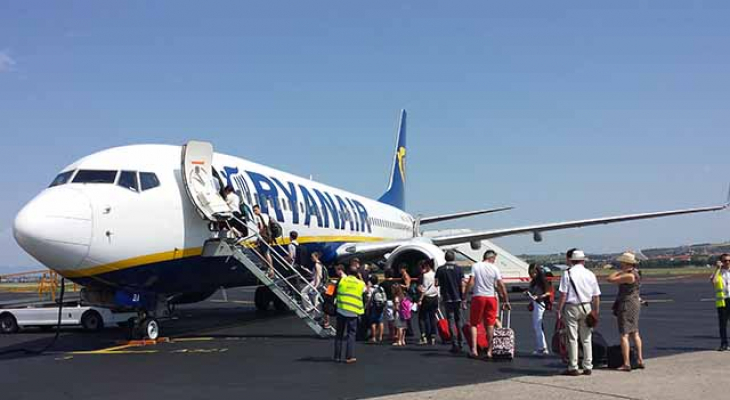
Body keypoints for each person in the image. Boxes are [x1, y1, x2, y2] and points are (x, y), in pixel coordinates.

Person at [557, 249, 601, 376]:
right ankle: (588, 366)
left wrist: (558, 309)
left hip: (571, 307)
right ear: (583, 260)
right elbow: (596, 296)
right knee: (586, 337)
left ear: (571, 260)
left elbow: (563, 294)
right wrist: (595, 311)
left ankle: (573, 366)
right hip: (586, 306)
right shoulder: (590, 274)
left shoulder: (567, 274)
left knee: (572, 338)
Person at [466, 250, 511, 359]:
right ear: (491, 258)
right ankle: (490, 350)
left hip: (478, 296)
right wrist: (506, 300)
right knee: (490, 324)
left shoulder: (476, 266)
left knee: (474, 324)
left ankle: (474, 350)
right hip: (491, 297)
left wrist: (464, 296)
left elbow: (471, 282)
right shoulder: (495, 268)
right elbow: (501, 285)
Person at [607, 252, 645, 371]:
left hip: (626, 303)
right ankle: (639, 359)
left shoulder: (629, 276)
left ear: (626, 263)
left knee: (624, 334)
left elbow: (610, 279)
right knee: (635, 332)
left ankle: (627, 363)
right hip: (634, 302)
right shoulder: (636, 273)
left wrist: (618, 271)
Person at [334, 264, 366, 364]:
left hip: (341, 309)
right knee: (351, 334)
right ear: (357, 273)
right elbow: (366, 290)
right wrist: (360, 277)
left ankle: (337, 356)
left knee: (339, 334)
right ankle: (349, 356)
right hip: (353, 312)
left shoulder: (342, 280)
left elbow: (333, 288)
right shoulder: (360, 283)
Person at [435, 250, 466, 353]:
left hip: (447, 298)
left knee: (450, 321)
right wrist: (463, 297)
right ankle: (461, 342)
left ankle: (454, 344)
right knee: (459, 321)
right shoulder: (459, 269)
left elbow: (436, 283)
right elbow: (462, 284)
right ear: (454, 258)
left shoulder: (440, 269)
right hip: (457, 297)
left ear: (445, 258)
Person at [526, 263, 552, 355]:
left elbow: (549, 292)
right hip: (536, 303)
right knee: (537, 326)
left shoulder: (542, 281)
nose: (531, 275)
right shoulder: (534, 281)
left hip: (540, 303)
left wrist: (539, 296)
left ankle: (542, 348)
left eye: (533, 273)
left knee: (538, 326)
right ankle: (542, 346)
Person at [710, 253, 730, 351]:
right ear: (721, 262)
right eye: (725, 261)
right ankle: (724, 344)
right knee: (723, 325)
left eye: (729, 260)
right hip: (723, 301)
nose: (727, 262)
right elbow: (713, 282)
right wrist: (717, 269)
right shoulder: (718, 273)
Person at [417, 259, 439, 345]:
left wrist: (420, 299)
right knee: (432, 317)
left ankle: (425, 336)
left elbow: (423, 289)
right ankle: (433, 336)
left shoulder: (424, 276)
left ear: (427, 266)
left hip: (426, 298)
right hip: (435, 297)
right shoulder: (435, 274)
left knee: (423, 317)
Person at [252, 205, 274, 272]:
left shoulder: (259, 217)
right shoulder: (265, 215)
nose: (255, 212)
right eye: (254, 211)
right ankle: (265, 265)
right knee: (259, 250)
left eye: (255, 210)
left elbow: (261, 228)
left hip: (263, 237)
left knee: (266, 252)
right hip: (267, 236)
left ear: (259, 209)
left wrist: (258, 238)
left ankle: (271, 268)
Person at [366, 275, 386, 343]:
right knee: (380, 321)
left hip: (374, 306)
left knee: (373, 322)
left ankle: (373, 337)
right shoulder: (381, 288)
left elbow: (369, 299)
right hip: (381, 306)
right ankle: (380, 337)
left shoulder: (371, 289)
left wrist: (367, 307)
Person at [380, 269, 398, 341]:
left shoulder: (383, 284)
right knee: (396, 318)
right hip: (395, 301)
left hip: (388, 301)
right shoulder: (396, 283)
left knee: (390, 319)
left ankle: (391, 334)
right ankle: (396, 333)